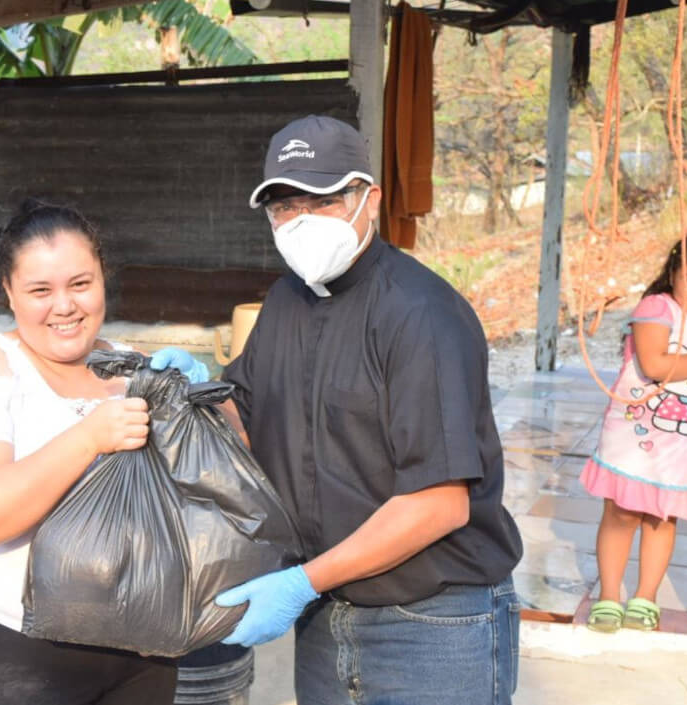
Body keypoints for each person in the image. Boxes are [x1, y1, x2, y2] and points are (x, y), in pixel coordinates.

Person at [152, 114, 523, 704]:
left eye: (321, 200)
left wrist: (300, 583)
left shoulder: (420, 314)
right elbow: (247, 424)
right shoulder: (286, 301)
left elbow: (439, 503)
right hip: (327, 615)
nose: (299, 220)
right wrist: (190, 395)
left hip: (429, 623)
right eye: (283, 205)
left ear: (369, 199)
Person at [0, 200, 205, 705]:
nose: (65, 306)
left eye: (80, 284)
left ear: (102, 279)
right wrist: (88, 439)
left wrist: (204, 396)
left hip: (141, 647)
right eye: (40, 291)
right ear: (8, 291)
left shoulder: (130, 366)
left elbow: (214, 471)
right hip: (13, 656)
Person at [582, 232, 687, 633]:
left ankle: (645, 597)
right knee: (622, 513)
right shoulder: (657, 307)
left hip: (680, 446)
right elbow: (653, 364)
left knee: (661, 519)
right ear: (673, 275)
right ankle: (609, 596)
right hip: (634, 441)